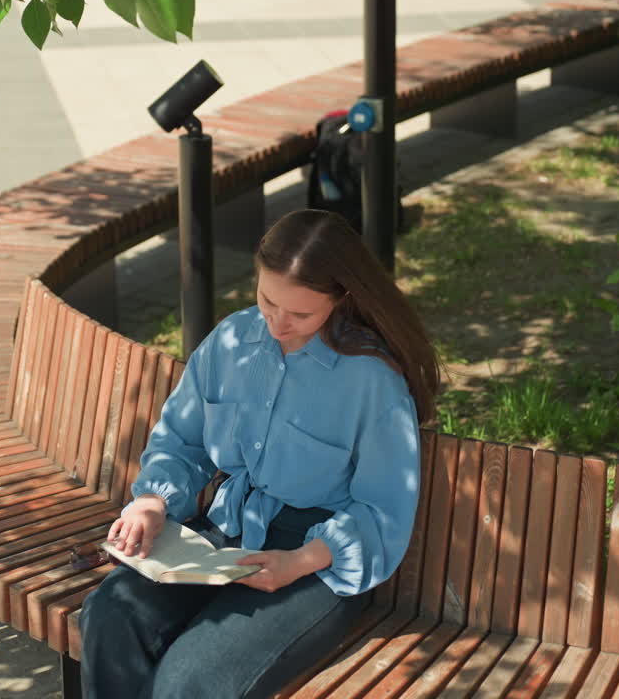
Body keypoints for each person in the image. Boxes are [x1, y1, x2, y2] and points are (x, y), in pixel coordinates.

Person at [79, 209, 441, 698]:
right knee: (110, 613)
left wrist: (300, 560)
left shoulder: (372, 381)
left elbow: (382, 509)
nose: (276, 324)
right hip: (224, 531)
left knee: (190, 678)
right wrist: (152, 501)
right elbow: (182, 439)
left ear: (342, 299)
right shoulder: (233, 340)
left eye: (300, 314)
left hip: (315, 560)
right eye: (267, 301)